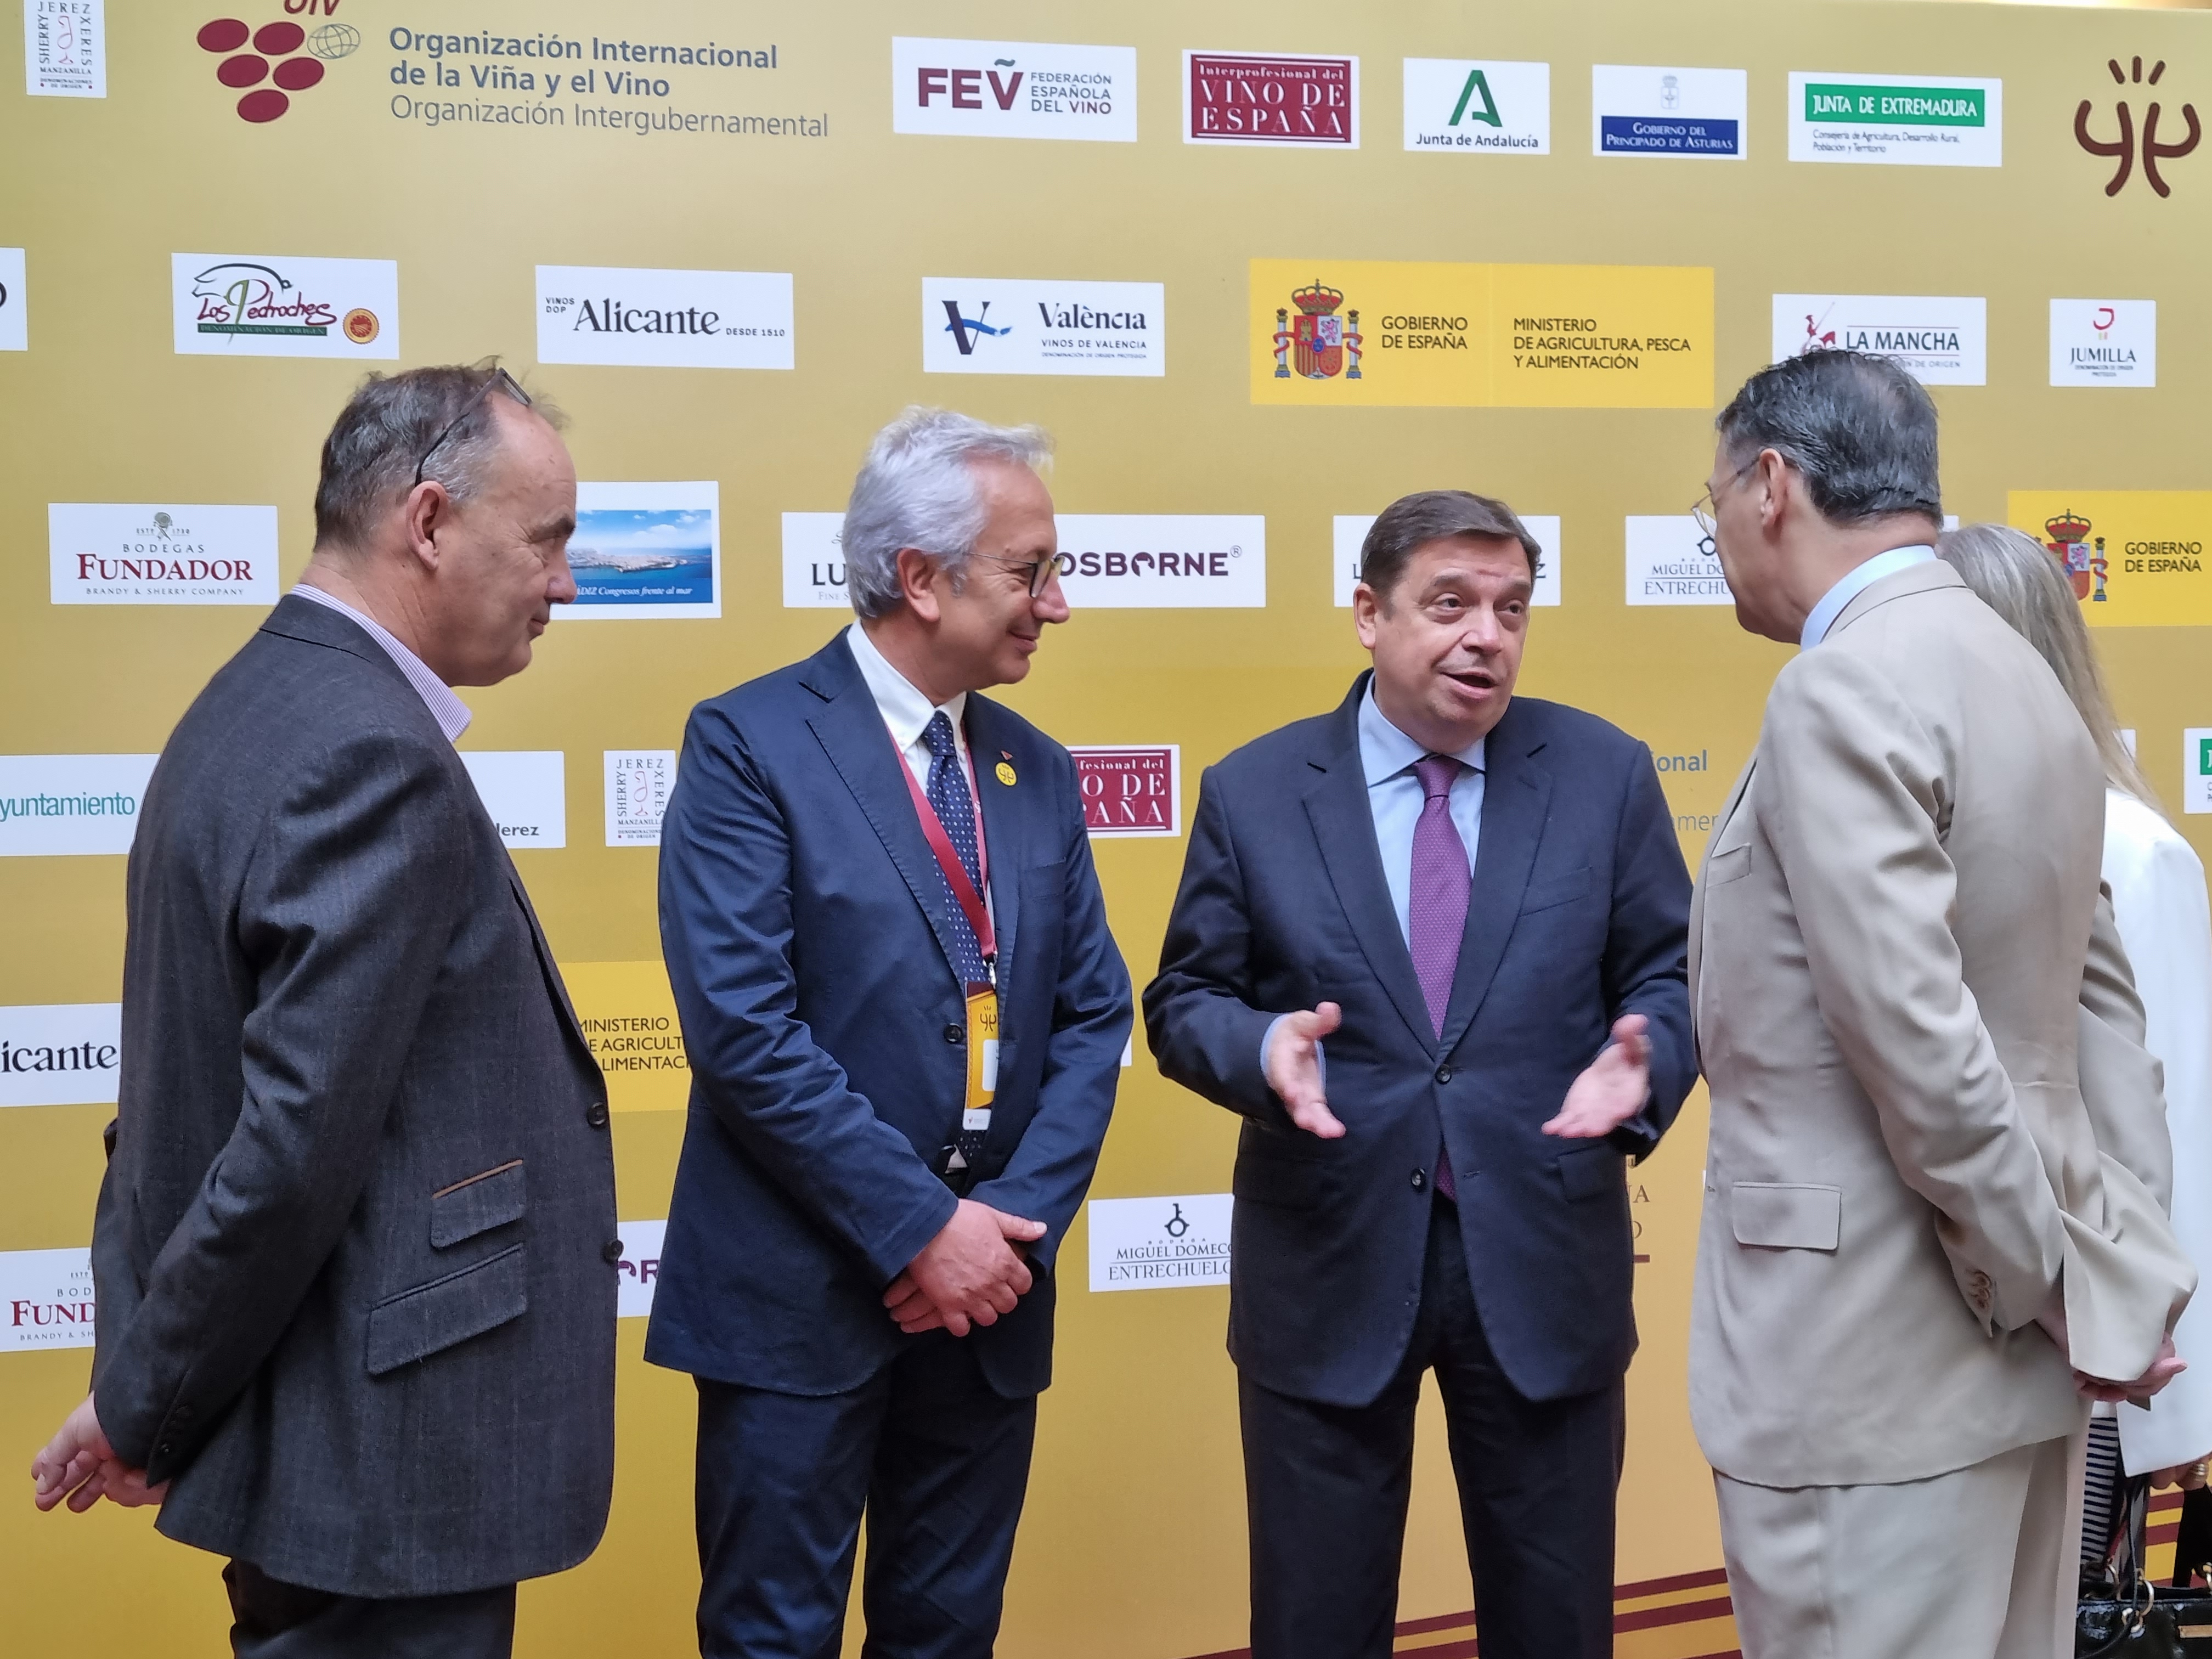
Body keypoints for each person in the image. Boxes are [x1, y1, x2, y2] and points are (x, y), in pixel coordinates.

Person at [27, 363, 620, 1657]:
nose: (567, 584)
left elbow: (196, 1109)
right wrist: (144, 1403)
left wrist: (148, 1382)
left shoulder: (252, 701)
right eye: (548, 540)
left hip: (330, 1438)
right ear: (429, 521)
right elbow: (288, 1151)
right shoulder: (372, 752)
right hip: (388, 1458)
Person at [1689, 349, 2194, 1659]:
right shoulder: (2023, 672)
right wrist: (2114, 1280)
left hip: (1868, 1377)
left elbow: (1917, 1043)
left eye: (1712, 503)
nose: (1718, 538)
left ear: (1770, 486)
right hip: (2014, 1378)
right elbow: (2107, 1029)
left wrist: (2048, 1287)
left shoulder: (1842, 682)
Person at [1143, 489, 1696, 1659]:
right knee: (1316, 1627)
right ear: (1369, 614)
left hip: (1544, 1266)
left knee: (1556, 1630)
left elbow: (1674, 974)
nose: (1486, 635)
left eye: (1512, 609)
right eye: (1449, 604)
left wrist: (1645, 1062)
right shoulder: (1256, 790)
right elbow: (1185, 1000)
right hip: (1328, 1268)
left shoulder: (1603, 774)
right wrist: (1261, 1049)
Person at [647, 407, 1132, 1659]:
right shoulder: (749, 743)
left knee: (948, 1636)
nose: (1057, 603)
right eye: (1030, 571)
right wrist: (923, 1229)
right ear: (921, 577)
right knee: (773, 1639)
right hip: (796, 1305)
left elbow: (1093, 1014)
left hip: (988, 1308)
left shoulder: (1036, 768)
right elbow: (746, 1033)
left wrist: (1004, 1229)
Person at [1936, 522, 2212, 1565]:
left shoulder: (2132, 851)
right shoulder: (1923, 840)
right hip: (1949, 1336)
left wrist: (2172, 1392)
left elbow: (2175, 1124)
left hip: (2091, 1358)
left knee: (2066, 1618)